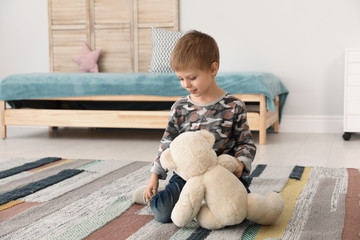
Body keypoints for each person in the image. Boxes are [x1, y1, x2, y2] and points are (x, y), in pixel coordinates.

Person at [133, 30, 256, 223]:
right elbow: (167, 143)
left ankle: (201, 207)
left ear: (213, 69)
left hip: (223, 173)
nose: (186, 84)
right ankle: (154, 198)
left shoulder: (234, 106)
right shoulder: (180, 108)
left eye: (192, 77)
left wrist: (240, 164)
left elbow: (246, 144)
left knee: (240, 211)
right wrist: (154, 177)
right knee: (163, 214)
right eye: (181, 79)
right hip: (186, 175)